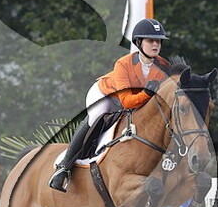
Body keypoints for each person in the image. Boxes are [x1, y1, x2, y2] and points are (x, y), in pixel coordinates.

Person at [48, 18, 172, 192]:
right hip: (106, 95)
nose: (156, 45)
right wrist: (147, 93)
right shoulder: (124, 64)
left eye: (158, 41)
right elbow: (126, 101)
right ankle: (64, 167)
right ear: (138, 42)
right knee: (96, 117)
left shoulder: (164, 66)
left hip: (137, 101)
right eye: (151, 40)